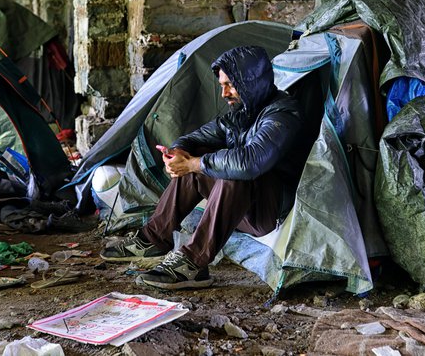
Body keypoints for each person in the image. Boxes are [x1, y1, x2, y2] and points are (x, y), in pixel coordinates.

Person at [100, 45, 306, 290]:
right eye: (221, 85)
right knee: (198, 156)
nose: (224, 93)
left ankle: (193, 263)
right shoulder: (240, 113)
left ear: (250, 81)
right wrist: (177, 154)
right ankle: (153, 239)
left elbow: (250, 162)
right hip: (244, 206)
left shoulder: (283, 113)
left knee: (233, 169)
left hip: (270, 210)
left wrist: (195, 164)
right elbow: (195, 139)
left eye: (230, 84)